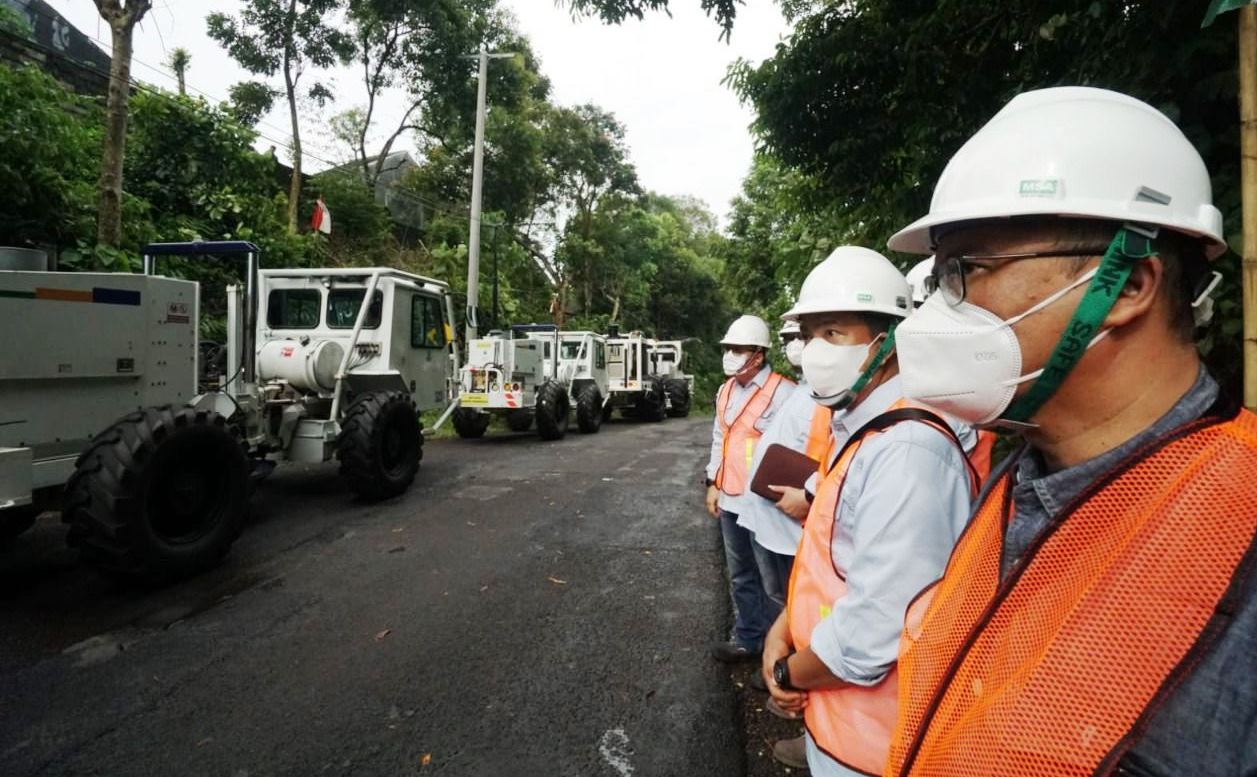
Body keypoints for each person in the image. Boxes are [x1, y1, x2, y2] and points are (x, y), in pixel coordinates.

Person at [884, 86, 1256, 777]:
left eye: (966, 270)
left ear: (1123, 286)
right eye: (938, 277)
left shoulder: (1240, 519)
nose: (936, 310)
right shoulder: (1019, 476)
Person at [760, 247, 978, 777]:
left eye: (833, 334)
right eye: (809, 334)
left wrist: (789, 673)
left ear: (887, 345)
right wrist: (781, 630)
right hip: (838, 723)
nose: (814, 350)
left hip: (876, 747)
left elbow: (876, 629)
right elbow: (834, 565)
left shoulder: (907, 452)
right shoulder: (860, 428)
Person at [706, 314, 795, 663]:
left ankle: (780, 651)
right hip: (730, 497)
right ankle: (748, 637)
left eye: (738, 349)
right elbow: (719, 438)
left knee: (773, 580)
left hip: (764, 503)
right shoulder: (725, 390)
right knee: (741, 573)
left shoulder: (783, 392)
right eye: (728, 348)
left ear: (758, 354)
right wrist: (713, 482)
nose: (731, 355)